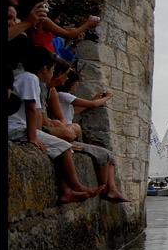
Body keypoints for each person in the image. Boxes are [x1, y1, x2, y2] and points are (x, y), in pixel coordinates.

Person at [8, 46, 104, 204]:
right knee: (65, 147)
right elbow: (32, 109)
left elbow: (36, 112)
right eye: (52, 69)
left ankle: (67, 190)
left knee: (60, 147)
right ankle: (77, 187)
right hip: (17, 129)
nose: (53, 73)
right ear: (44, 68)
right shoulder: (30, 79)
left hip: (18, 127)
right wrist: (33, 137)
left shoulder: (25, 78)